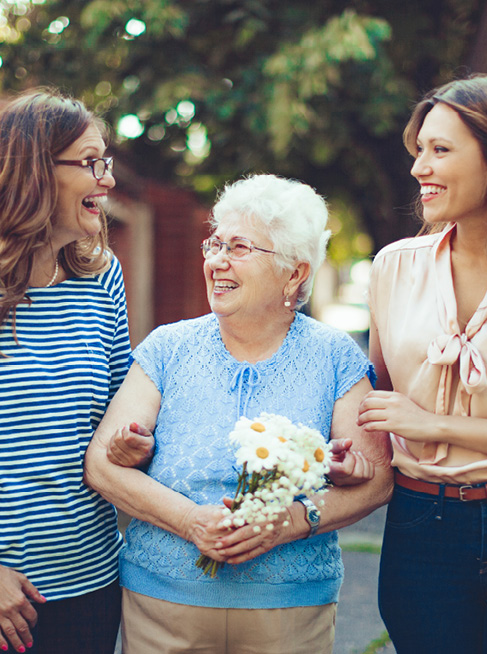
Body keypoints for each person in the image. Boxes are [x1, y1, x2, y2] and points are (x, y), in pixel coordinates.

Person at [84, 173, 393, 654]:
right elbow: (101, 463)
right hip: (163, 605)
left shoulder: (335, 356)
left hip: (290, 610)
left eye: (240, 248)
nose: (216, 261)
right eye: (215, 244)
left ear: (294, 273)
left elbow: (376, 480)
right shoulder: (168, 347)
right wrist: (191, 521)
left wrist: (287, 522)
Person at [358, 73, 487, 654]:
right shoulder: (394, 266)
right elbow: (376, 397)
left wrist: (436, 425)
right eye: (420, 150)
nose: (420, 167)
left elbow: (412, 418)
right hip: (422, 525)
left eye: (440, 150)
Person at [0, 88, 131, 654]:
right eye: (90, 162)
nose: (107, 179)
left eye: (107, 162)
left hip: (92, 584)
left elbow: (123, 417)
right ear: (34, 171)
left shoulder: (102, 276)